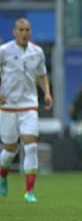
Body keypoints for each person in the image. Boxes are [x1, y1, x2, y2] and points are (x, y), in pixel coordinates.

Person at [0, 18, 53, 203]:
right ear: (14, 31)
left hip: (29, 105)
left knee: (31, 146)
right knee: (10, 149)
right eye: (21, 29)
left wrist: (47, 93)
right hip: (7, 107)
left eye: (27, 29)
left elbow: (42, 74)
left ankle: (29, 191)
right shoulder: (4, 51)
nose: (24, 33)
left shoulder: (37, 52)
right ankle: (2, 175)